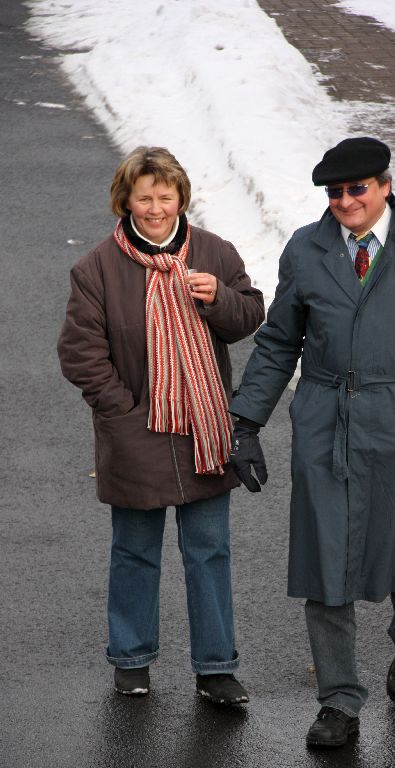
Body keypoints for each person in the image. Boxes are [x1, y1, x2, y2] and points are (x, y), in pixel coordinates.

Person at [228, 136, 395, 746]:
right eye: (335, 192)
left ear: (383, 186)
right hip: (326, 422)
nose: (346, 201)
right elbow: (279, 341)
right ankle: (339, 701)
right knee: (325, 563)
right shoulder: (306, 248)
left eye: (357, 189)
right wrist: (245, 422)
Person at [57, 146, 265, 704]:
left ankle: (216, 667)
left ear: (181, 198)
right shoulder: (96, 268)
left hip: (204, 431)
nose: (155, 209)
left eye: (165, 197)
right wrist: (123, 415)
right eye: (144, 197)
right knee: (134, 551)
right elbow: (81, 353)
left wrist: (220, 299)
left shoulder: (214, 252)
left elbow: (249, 316)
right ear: (124, 200)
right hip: (135, 433)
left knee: (209, 551)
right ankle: (131, 658)